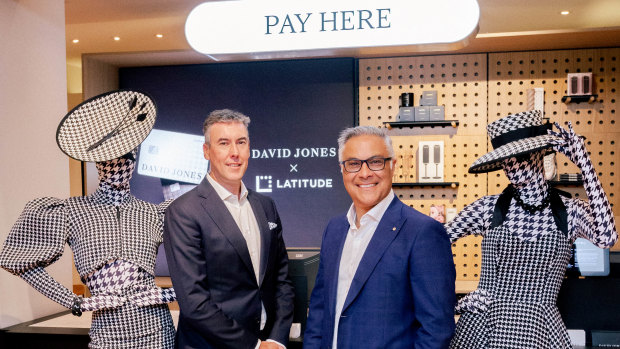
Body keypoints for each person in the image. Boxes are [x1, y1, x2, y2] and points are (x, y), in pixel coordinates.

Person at [0, 90, 176, 348]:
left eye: (127, 157)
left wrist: (170, 293)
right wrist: (74, 301)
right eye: (110, 159)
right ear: (97, 163)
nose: (120, 165)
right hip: (107, 334)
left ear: (135, 161)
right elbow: (19, 261)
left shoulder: (153, 212)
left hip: (157, 331)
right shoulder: (71, 211)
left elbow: (203, 259)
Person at [447, 110, 618, 348]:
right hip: (484, 327)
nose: (511, 166)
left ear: (540, 154)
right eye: (506, 160)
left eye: (520, 156)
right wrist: (451, 301)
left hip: (540, 329)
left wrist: (585, 165)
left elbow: (606, 237)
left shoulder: (569, 211)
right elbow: (431, 243)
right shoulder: (487, 208)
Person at [303, 126, 456, 349]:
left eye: (375, 162)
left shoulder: (423, 232)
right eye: (354, 163)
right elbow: (319, 311)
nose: (365, 173)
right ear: (342, 170)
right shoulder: (334, 229)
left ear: (392, 165)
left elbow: (436, 330)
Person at [163, 109, 294, 349]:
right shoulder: (184, 211)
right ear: (206, 152)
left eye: (241, 142)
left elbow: (281, 280)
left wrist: (276, 338)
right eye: (223, 143)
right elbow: (194, 302)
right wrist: (254, 346)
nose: (234, 153)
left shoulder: (265, 206)